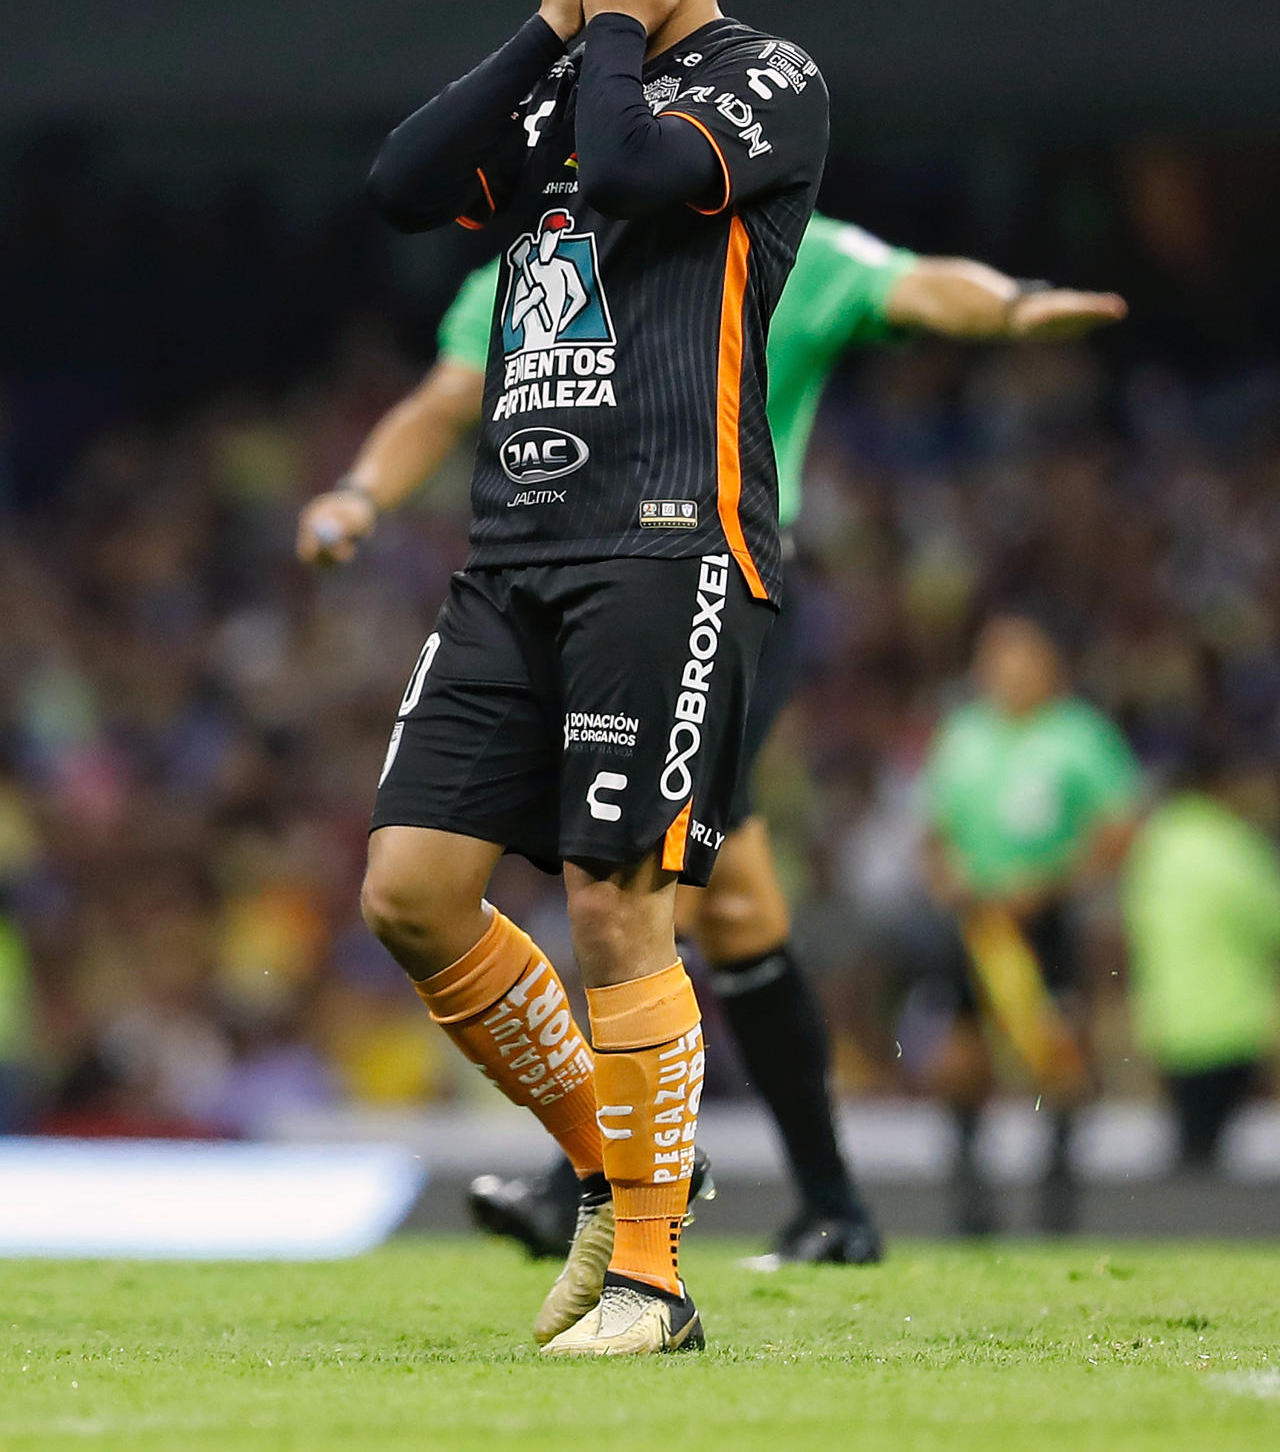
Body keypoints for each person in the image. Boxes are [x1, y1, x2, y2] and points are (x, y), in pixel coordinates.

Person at [302, 216, 1126, 1263]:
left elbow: (918, 286)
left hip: (725, 596)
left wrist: (1010, 306)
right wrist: (361, 491)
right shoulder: (534, 263)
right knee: (733, 903)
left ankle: (588, 1184)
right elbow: (442, 400)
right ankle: (831, 1208)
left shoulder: (784, 246)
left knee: (648, 877)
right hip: (581, 597)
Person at [353, 0, 829, 1357]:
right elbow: (404, 185)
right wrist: (555, 25)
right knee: (411, 894)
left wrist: (608, 29)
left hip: (670, 541)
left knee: (616, 905)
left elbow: (627, 172)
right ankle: (613, 1168)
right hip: (514, 549)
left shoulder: (767, 79)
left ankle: (651, 1279)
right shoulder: (568, 73)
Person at [922, 614, 1141, 1235]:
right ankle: (971, 1194)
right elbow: (933, 830)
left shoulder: (1081, 736)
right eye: (996, 660)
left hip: (1049, 919)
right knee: (958, 1053)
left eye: (1021, 659)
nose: (1008, 673)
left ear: (1050, 666)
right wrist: (947, 879)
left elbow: (1120, 829)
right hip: (977, 922)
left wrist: (1050, 883)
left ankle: (1057, 1191)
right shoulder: (963, 735)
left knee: (1061, 1052)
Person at [1123, 759, 1280, 1168]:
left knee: (1190, 1134)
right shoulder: (1234, 847)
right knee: (1212, 1144)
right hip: (1229, 1020)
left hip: (1167, 1019)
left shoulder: (1152, 849)